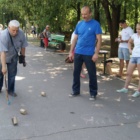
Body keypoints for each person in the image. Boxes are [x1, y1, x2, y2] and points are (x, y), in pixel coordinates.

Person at [68, 6, 102, 101]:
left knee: (92, 74)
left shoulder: (96, 24)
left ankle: (93, 93)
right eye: (82, 14)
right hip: (78, 52)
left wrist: (96, 53)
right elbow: (75, 38)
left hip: (89, 53)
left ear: (90, 13)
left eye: (85, 14)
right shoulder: (79, 24)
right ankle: (75, 91)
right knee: (76, 73)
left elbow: (99, 40)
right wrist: (71, 52)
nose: (84, 16)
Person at [0, 20, 28, 96]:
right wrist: (3, 67)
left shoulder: (21, 33)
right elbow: (2, 52)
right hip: (2, 56)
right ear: (8, 28)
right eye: (13, 30)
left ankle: (11, 90)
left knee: (12, 75)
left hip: (13, 56)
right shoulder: (3, 35)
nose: (15, 32)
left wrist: (23, 57)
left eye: (17, 30)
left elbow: (23, 46)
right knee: (0, 73)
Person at [116, 23, 140, 97]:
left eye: (139, 29)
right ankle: (125, 88)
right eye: (137, 28)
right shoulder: (134, 35)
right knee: (129, 73)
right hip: (134, 56)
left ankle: (138, 91)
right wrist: (130, 50)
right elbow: (129, 42)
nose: (138, 30)